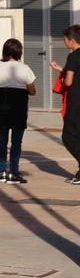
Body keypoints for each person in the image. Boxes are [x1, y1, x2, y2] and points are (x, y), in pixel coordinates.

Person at [0, 38, 36, 184]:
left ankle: (1, 171)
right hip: (18, 106)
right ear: (19, 52)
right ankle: (14, 172)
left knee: (1, 140)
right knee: (16, 141)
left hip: (0, 104)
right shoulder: (25, 68)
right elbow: (32, 91)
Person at [53, 24, 80, 184]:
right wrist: (61, 69)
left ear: (71, 40)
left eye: (65, 40)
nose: (65, 42)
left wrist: (63, 77)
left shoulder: (73, 56)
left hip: (76, 102)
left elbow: (69, 81)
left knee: (68, 136)